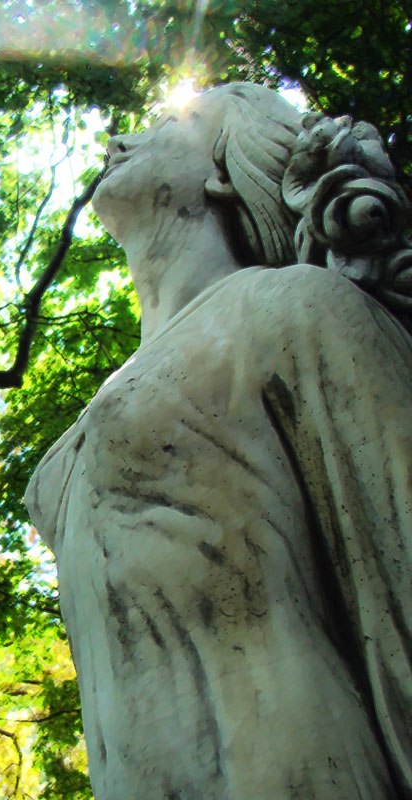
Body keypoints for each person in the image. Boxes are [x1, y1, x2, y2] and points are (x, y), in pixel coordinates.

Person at [24, 83, 412, 799]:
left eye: (168, 123)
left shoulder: (291, 310)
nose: (119, 141)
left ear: (222, 172)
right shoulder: (67, 451)